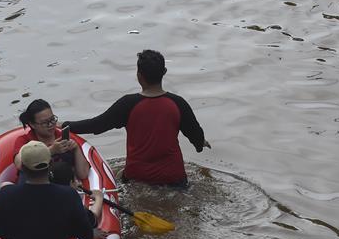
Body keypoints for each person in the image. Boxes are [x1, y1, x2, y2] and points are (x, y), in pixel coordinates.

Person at [65, 49, 211, 187]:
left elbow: (97, 125)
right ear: (164, 72)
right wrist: (200, 143)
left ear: (139, 75)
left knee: (119, 175)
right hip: (174, 178)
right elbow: (195, 134)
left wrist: (65, 125)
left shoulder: (127, 104)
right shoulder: (179, 103)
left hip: (137, 177)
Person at [18, 99, 89, 182]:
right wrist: (51, 151)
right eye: (45, 122)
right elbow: (19, 164)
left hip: (65, 186)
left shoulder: (63, 136)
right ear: (32, 124)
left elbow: (83, 174)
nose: (51, 125)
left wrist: (76, 148)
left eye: (52, 119)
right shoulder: (24, 141)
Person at [51, 160, 105, 226]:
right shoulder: (71, 203)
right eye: (75, 178)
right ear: (71, 183)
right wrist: (99, 198)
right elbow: (92, 219)